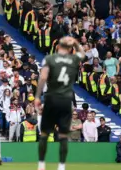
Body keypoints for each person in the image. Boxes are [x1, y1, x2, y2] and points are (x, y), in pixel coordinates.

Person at [35, 36, 85, 170]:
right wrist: (75, 42)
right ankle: (61, 166)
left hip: (51, 98)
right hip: (66, 99)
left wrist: (38, 96)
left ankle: (41, 165)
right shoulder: (73, 59)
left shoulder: (50, 59)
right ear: (70, 49)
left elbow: (43, 77)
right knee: (63, 135)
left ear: (58, 47)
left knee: (44, 133)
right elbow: (82, 53)